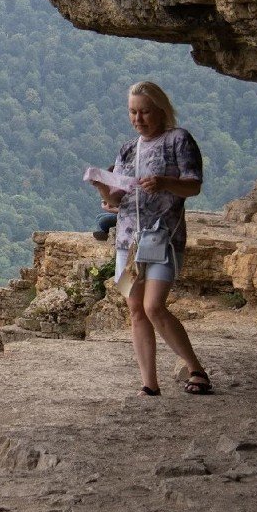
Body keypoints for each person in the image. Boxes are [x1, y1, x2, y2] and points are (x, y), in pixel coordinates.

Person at [89, 81, 212, 396]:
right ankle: (149, 384)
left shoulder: (178, 140)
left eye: (144, 111)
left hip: (163, 235)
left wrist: (165, 182)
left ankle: (196, 369)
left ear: (160, 110)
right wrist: (101, 186)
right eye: (132, 112)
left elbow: (193, 185)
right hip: (128, 240)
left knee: (154, 305)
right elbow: (117, 200)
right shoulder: (128, 148)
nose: (138, 118)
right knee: (135, 307)